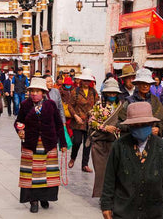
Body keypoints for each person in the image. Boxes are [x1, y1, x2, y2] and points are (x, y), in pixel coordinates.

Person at [101, 102, 163, 219]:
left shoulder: (161, 147)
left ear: (151, 124)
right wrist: (106, 205)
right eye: (136, 125)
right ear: (130, 126)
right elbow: (109, 178)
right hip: (124, 211)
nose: (140, 128)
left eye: (144, 124)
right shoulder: (119, 146)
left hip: (153, 211)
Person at [14, 77, 67, 213]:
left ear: (43, 92)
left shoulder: (51, 105)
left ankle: (44, 197)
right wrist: (19, 130)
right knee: (31, 174)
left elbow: (58, 124)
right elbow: (18, 121)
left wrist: (63, 143)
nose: (34, 93)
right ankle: (33, 201)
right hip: (30, 144)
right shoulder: (25, 105)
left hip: (48, 143)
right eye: (32, 91)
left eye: (37, 91)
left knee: (47, 173)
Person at [87, 78, 122, 198]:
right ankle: (103, 196)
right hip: (99, 143)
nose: (112, 95)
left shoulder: (121, 106)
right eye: (110, 92)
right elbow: (91, 122)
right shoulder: (98, 105)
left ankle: (113, 195)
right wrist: (104, 127)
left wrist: (117, 129)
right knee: (101, 172)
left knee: (115, 171)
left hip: (115, 143)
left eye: (114, 93)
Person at [118, 68, 163, 141]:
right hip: (133, 142)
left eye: (147, 83)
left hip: (152, 142)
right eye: (142, 83)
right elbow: (120, 123)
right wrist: (136, 129)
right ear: (137, 84)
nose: (145, 86)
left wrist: (159, 129)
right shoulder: (129, 102)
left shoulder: (155, 101)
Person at [68, 68, 99, 172]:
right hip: (78, 122)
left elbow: (97, 105)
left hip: (89, 122)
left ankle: (84, 164)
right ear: (81, 81)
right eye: (85, 80)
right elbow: (70, 106)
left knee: (88, 143)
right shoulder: (75, 91)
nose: (86, 82)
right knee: (77, 141)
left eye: (88, 80)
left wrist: (96, 116)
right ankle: (73, 157)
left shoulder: (93, 92)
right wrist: (75, 116)